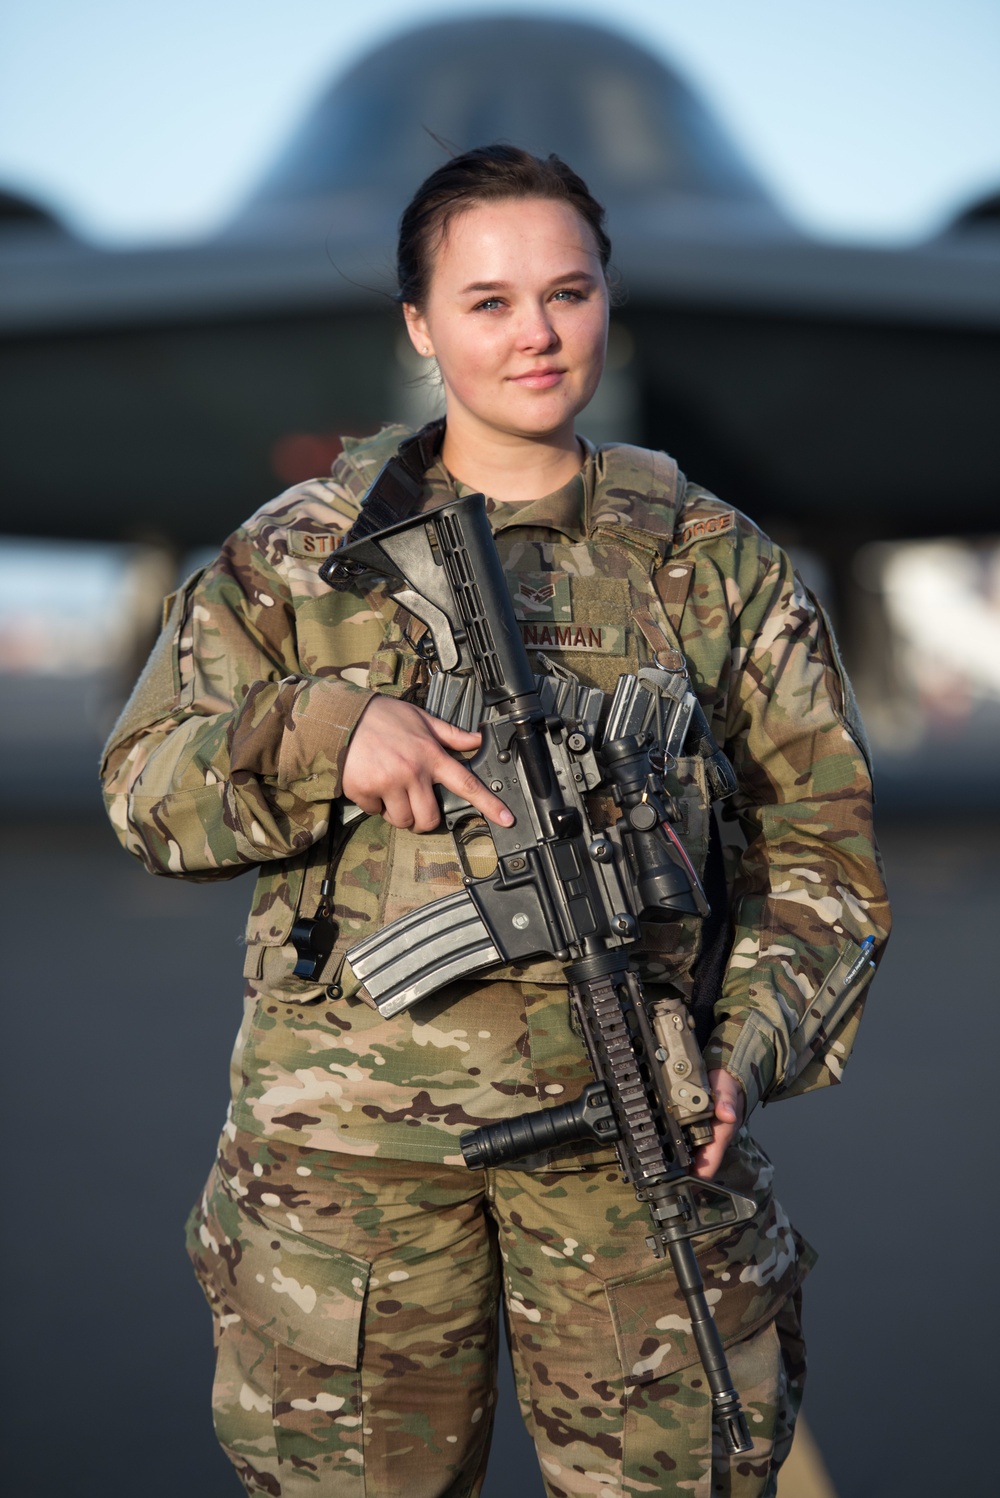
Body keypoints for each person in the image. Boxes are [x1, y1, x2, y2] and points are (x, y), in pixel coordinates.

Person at [101, 145, 890, 1498]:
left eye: (566, 293)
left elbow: (820, 855)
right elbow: (145, 789)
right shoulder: (300, 554)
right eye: (488, 301)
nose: (535, 332)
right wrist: (326, 732)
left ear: (606, 302)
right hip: (348, 1188)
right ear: (419, 324)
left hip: (635, 1160)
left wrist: (737, 1051)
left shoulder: (715, 565)